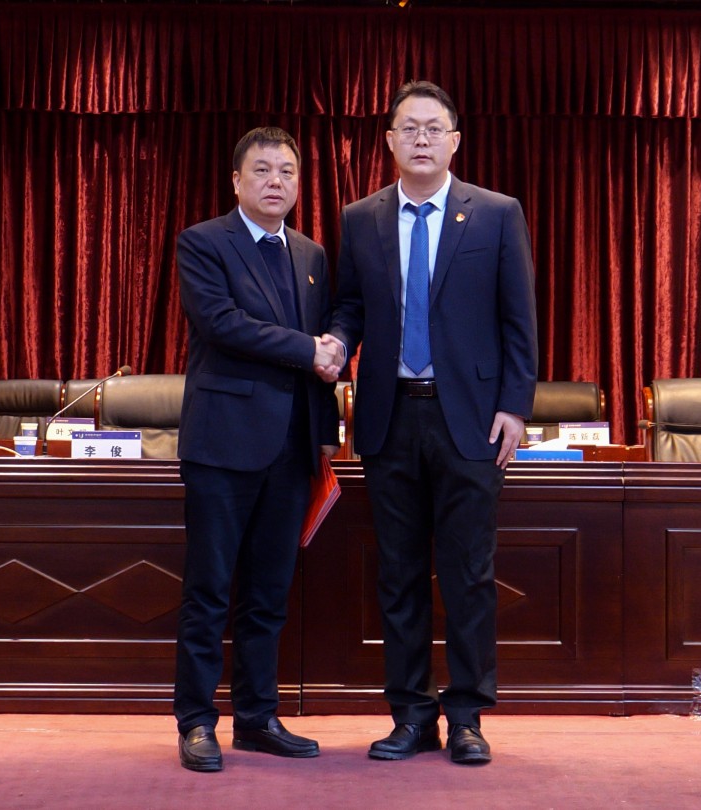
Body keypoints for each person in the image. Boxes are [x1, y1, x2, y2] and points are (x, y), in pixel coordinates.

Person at [327, 81, 538, 766]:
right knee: (399, 574)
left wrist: (514, 405)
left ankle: (468, 716)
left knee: (469, 573)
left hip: (471, 420)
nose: (421, 138)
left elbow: (518, 318)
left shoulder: (496, 213)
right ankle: (412, 715)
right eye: (409, 128)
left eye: (433, 128)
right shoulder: (361, 218)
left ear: (455, 141)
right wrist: (335, 342)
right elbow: (350, 306)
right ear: (389, 141)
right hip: (389, 417)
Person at [172, 126, 345, 773]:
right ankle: (196, 721)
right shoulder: (203, 242)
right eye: (263, 170)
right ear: (237, 181)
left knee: (269, 594)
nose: (276, 181)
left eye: (287, 172)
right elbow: (221, 324)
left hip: (291, 449)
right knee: (209, 590)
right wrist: (310, 350)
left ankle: (256, 718)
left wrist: (332, 359)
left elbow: (326, 335)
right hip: (223, 445)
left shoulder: (310, 253)